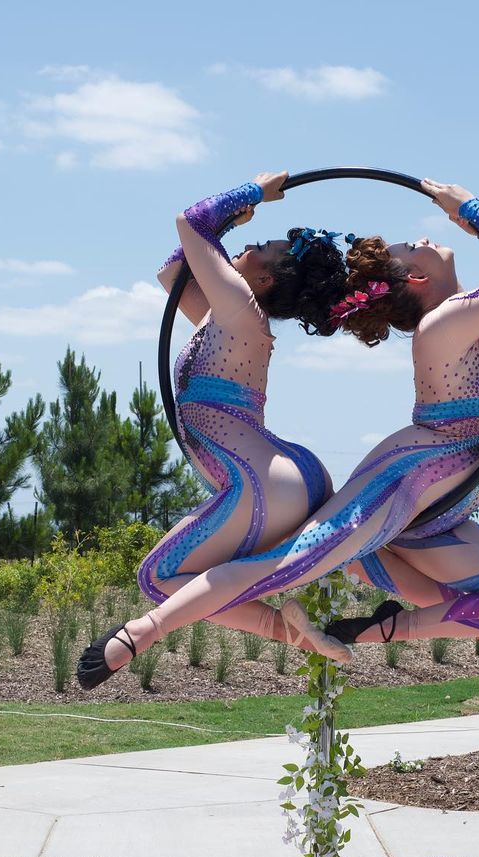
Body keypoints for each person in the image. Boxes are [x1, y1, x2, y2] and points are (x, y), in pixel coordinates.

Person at [79, 178, 479, 686]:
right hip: (417, 481)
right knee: (292, 563)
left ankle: (395, 629)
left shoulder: (464, 321)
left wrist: (241, 205)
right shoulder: (446, 324)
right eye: (412, 246)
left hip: (428, 496)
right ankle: (145, 633)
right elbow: (177, 268)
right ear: (418, 278)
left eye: (410, 245)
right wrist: (471, 212)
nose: (422, 238)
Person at [94, 173, 352, 689]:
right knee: (170, 577)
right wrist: (229, 223)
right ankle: (292, 630)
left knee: (161, 576)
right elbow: (174, 272)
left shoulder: (239, 311)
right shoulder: (227, 315)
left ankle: (148, 636)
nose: (253, 244)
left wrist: (253, 191)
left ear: (266, 280)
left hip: (259, 478)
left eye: (265, 248)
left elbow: (191, 221)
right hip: (274, 473)